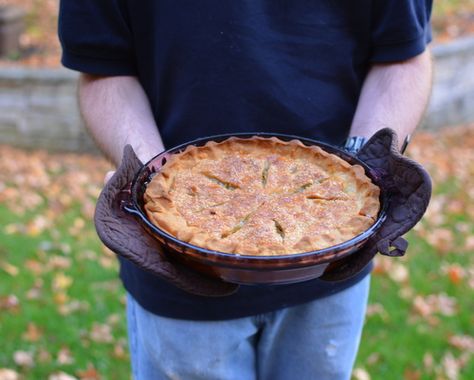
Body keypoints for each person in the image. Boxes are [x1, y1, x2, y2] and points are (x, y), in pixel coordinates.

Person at [58, 1, 433, 379]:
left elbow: (402, 55)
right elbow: (104, 66)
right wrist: (146, 174)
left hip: (334, 264)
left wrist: (365, 165)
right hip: (175, 269)